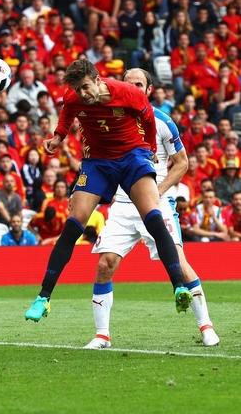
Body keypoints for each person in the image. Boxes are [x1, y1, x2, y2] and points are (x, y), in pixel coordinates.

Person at [25, 59, 191, 322]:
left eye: (86, 87)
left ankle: (179, 287)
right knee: (73, 224)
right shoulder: (73, 96)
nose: (83, 94)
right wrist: (58, 137)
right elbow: (68, 111)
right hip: (97, 163)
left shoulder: (127, 93)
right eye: (78, 89)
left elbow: (148, 119)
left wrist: (148, 147)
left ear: (98, 80)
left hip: (131, 158)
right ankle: (43, 298)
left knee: (153, 217)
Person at [86, 69, 219, 349]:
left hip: (156, 204)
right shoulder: (109, 119)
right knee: (104, 264)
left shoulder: (162, 121)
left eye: (138, 84)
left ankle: (206, 327)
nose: (132, 87)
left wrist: (156, 192)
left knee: (180, 265)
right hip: (122, 205)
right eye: (128, 83)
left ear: (147, 90)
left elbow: (181, 162)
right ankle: (102, 335)